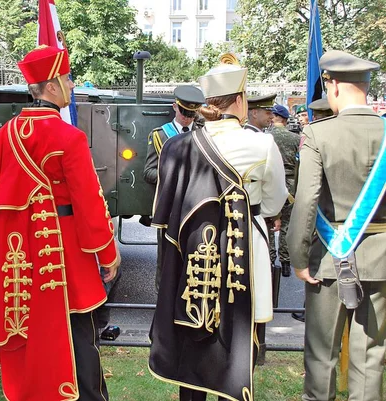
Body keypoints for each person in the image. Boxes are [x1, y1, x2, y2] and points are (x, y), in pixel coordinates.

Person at [0, 45, 120, 401]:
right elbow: (89, 203)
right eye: (68, 79)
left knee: (30, 334)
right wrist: (108, 254)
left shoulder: (2, 137)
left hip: (17, 258)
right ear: (52, 85)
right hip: (65, 255)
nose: (72, 86)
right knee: (80, 334)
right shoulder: (69, 137)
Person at [149, 54, 288, 401]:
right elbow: (274, 201)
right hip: (245, 253)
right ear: (240, 101)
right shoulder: (262, 143)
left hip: (192, 258)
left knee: (192, 342)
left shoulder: (176, 146)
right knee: (241, 338)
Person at [287, 50, 386, 401]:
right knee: (370, 356)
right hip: (382, 259)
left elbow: (306, 200)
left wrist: (298, 258)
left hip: (330, 259)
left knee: (321, 355)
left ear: (334, 86)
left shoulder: (319, 134)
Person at [143, 85, 206, 290]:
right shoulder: (160, 135)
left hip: (197, 206)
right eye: (184, 112)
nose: (187, 118)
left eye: (191, 113)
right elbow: (148, 172)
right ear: (174, 107)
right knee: (167, 260)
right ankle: (164, 302)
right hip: (170, 208)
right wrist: (174, 177)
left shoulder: (204, 134)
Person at [267, 105, 300, 278]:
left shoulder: (264, 137)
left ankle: (270, 259)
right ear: (286, 119)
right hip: (290, 183)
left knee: (270, 221)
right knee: (286, 223)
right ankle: (286, 262)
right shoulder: (295, 138)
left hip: (270, 182)